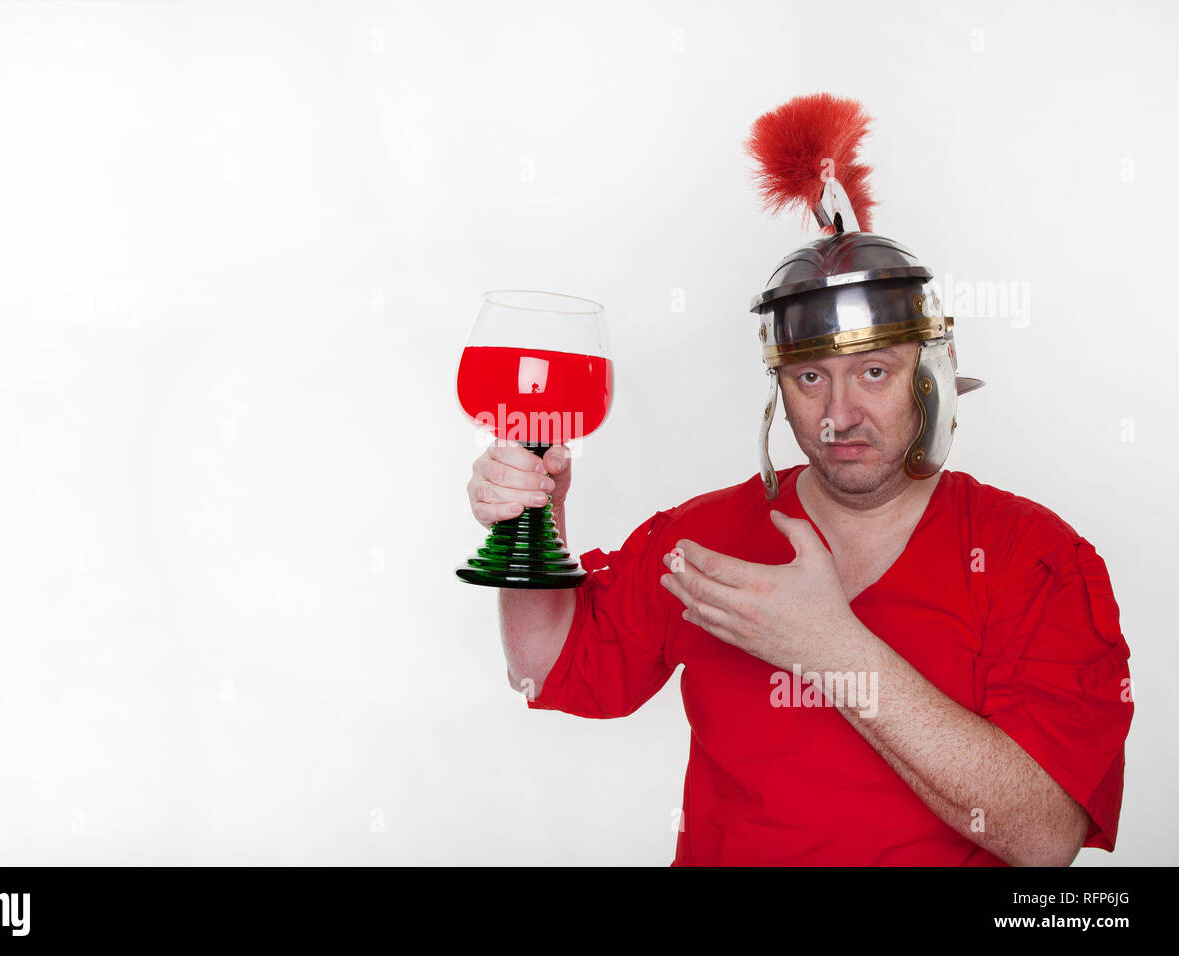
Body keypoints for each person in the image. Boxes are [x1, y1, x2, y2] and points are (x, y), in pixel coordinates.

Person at [465, 94, 1133, 865]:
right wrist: (531, 518)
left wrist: (830, 647)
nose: (840, 413)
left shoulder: (1034, 558)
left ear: (934, 377)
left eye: (874, 372)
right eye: (811, 377)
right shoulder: (703, 537)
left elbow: (1045, 839)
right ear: (778, 386)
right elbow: (545, 666)